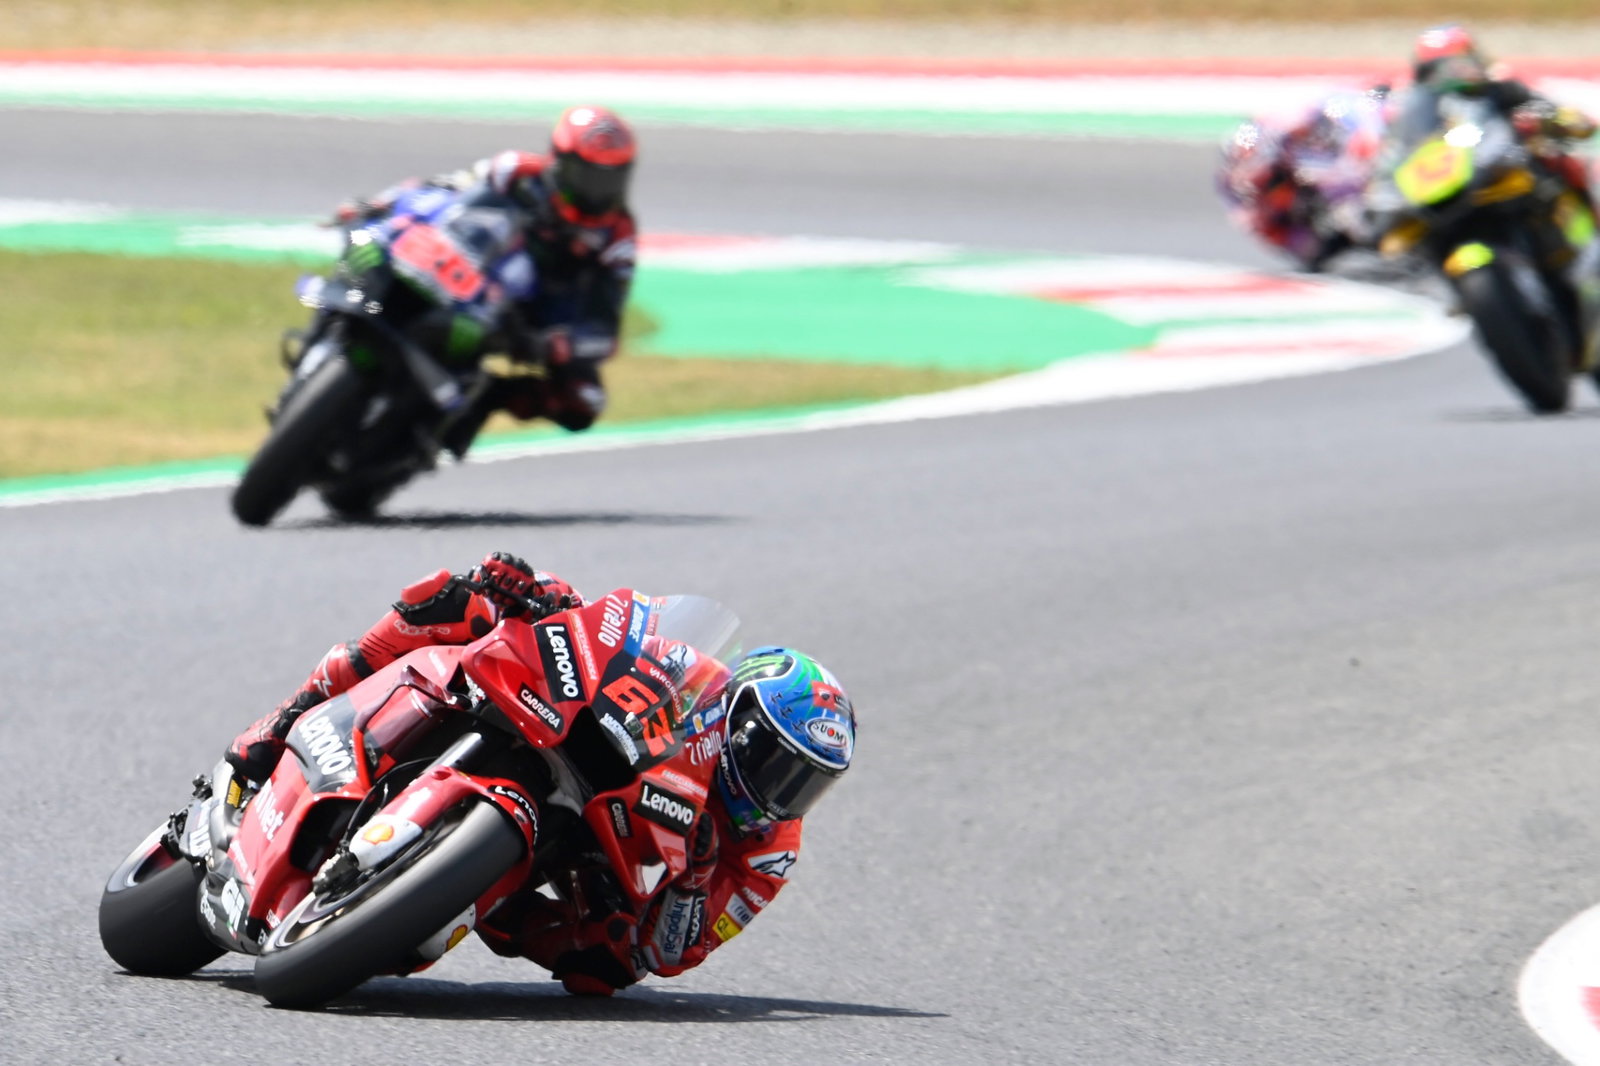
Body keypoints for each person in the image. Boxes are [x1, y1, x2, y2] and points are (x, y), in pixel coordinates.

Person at [224, 552, 857, 996]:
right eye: (776, 765)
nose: (782, 795)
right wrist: (542, 594)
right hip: (576, 748)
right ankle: (287, 718)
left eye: (806, 784)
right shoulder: (696, 688)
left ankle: (453, 901)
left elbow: (673, 951)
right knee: (454, 602)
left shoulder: (767, 854)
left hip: (603, 857)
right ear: (737, 715)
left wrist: (690, 878)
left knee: (608, 965)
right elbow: (616, 630)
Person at [332, 105, 639, 452]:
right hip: (467, 267)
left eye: (612, 178)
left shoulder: (617, 238)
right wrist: (380, 204)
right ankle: (332, 325)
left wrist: (564, 343)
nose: (599, 191)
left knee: (586, 401)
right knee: (367, 239)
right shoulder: (515, 171)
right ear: (561, 162)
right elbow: (446, 190)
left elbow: (607, 327)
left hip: (534, 318)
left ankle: (481, 400)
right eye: (590, 176)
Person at [1217, 84, 1390, 271]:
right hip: (1314, 216)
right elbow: (1261, 227)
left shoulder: (1312, 120)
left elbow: (1362, 116)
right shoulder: (1238, 191)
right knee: (1311, 249)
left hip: (1343, 162)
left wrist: (1368, 140)